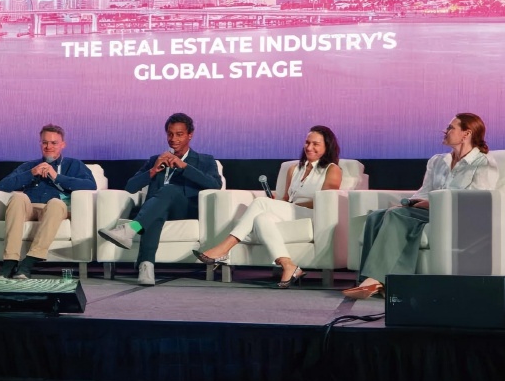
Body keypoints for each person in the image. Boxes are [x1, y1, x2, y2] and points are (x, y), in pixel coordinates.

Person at [343, 113, 499, 299]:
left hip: (455, 214)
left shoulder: (483, 162)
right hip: (429, 210)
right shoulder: (438, 161)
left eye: (451, 127)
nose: (445, 131)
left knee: (396, 216)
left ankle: (384, 281)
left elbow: (478, 199)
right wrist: (409, 203)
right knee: (376, 216)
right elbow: (424, 191)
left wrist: (433, 204)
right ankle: (371, 281)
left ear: (467, 133)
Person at [193, 125, 343, 288]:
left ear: (327, 147)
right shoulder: (294, 169)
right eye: (307, 142)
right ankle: (288, 265)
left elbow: (325, 201)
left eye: (316, 144)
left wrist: (280, 205)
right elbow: (287, 198)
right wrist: (278, 203)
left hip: (313, 214)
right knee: (261, 218)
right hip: (291, 212)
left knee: (260, 203)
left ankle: (224, 248)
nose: (309, 147)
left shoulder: (332, 169)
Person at [98, 113, 223, 286]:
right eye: (170, 134)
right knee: (156, 213)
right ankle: (146, 266)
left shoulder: (205, 160)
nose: (173, 139)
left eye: (179, 134)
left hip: (184, 209)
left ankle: (131, 229)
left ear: (190, 135)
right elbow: (130, 187)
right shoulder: (155, 160)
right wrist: (153, 171)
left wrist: (184, 166)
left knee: (169, 190)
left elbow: (215, 184)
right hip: (156, 209)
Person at [0, 124, 97, 279]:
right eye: (45, 142)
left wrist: (56, 176)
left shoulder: (73, 164)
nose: (49, 147)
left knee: (55, 203)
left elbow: (90, 185)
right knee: (17, 197)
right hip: (30, 208)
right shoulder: (29, 166)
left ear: (63, 145)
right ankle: (10, 262)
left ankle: (29, 262)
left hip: (55, 209)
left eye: (54, 143)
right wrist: (31, 173)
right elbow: (3, 185)